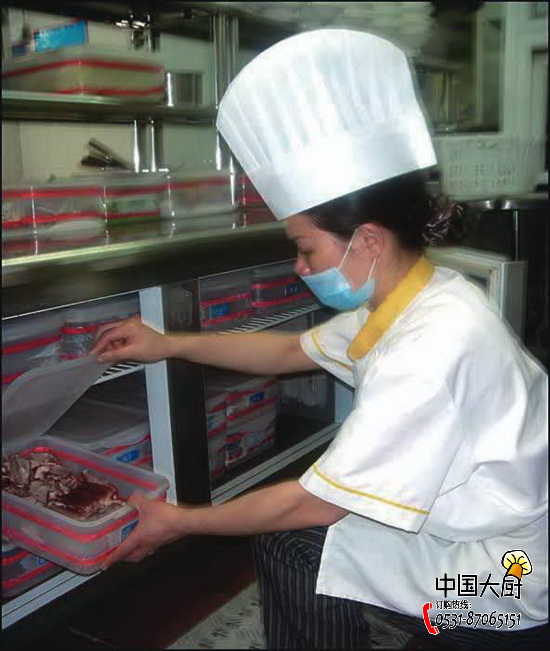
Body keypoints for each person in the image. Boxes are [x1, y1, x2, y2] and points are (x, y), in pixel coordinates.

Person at [91, 29, 548, 650]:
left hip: (506, 580)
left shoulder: (430, 349)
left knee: (295, 539)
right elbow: (286, 351)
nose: (300, 267)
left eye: (306, 249)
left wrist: (180, 521)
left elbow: (311, 505)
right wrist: (167, 342)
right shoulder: (417, 294)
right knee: (321, 528)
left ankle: (463, 630)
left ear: (368, 240)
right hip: (479, 529)